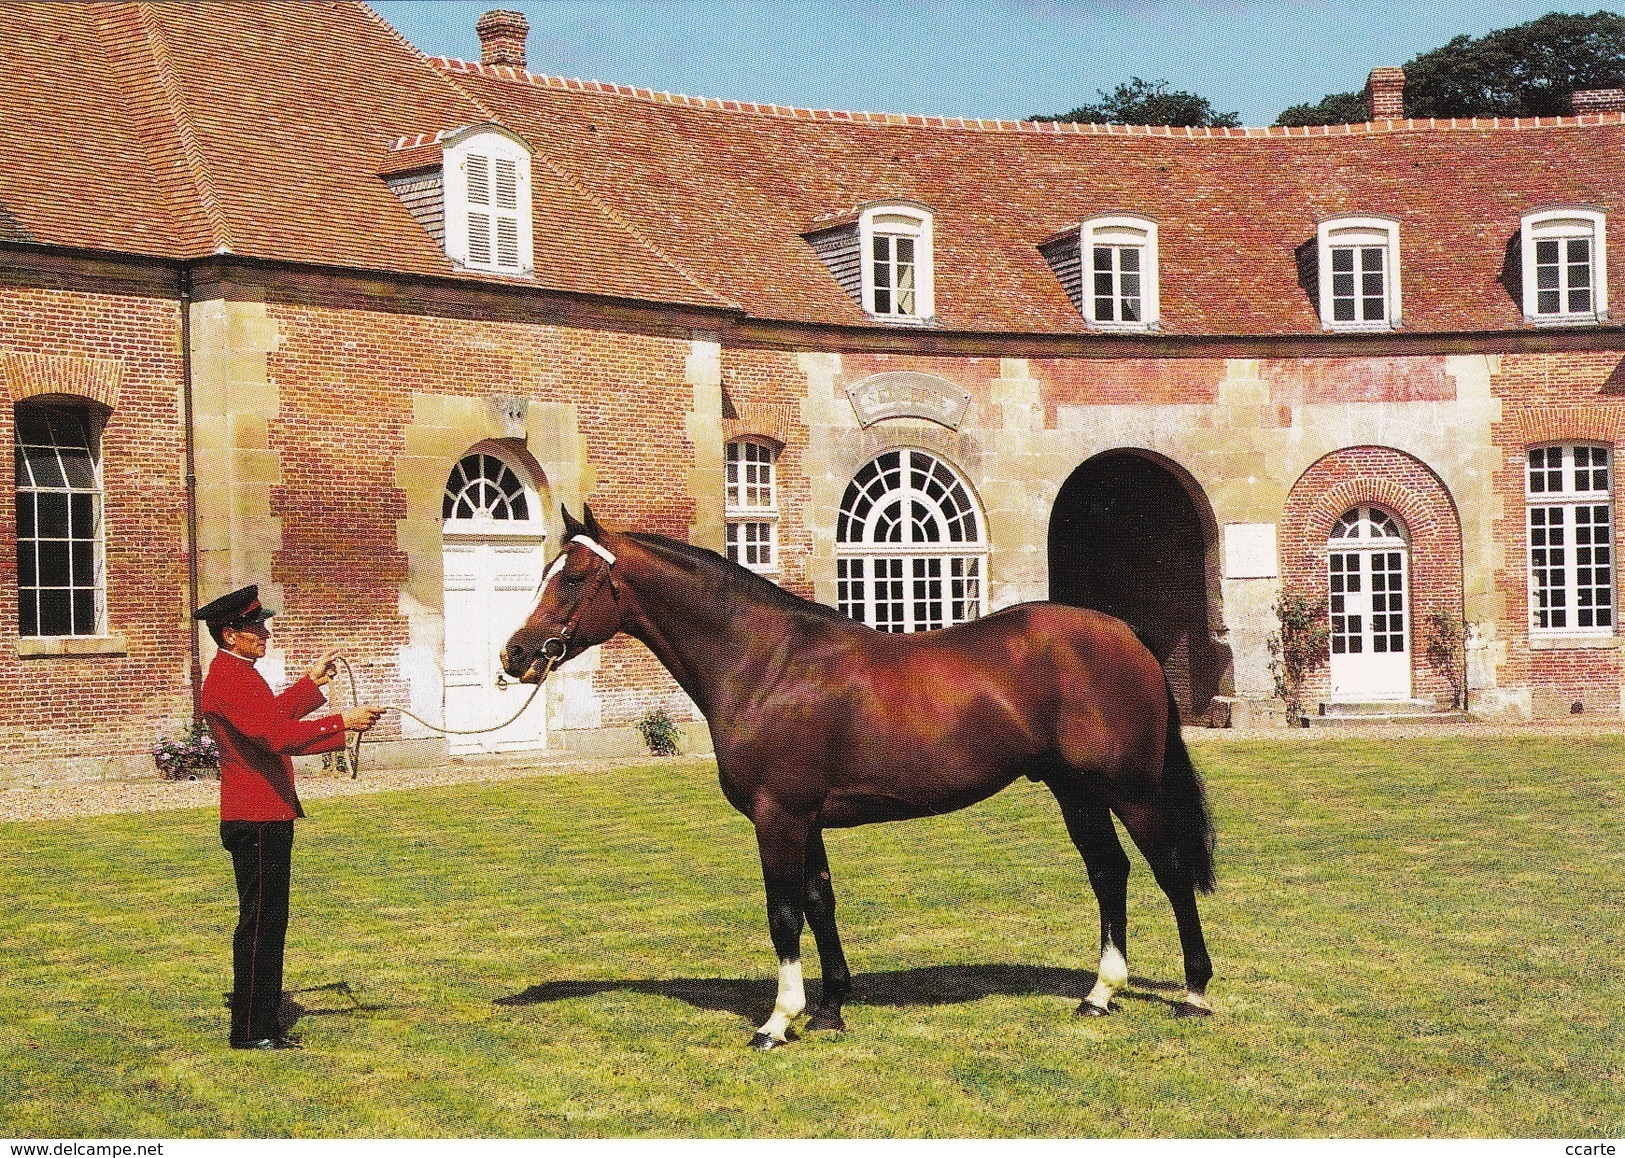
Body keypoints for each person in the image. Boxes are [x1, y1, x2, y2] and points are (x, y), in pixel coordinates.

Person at [192, 585, 384, 1050]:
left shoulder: (236, 673)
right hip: (255, 816)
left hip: (264, 814)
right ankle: (253, 1031)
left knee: (267, 919)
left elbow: (269, 720)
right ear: (230, 633)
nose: (266, 633)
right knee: (261, 922)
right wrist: (341, 722)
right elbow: (277, 737)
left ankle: (258, 1017)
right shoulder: (229, 679)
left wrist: (311, 685)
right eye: (257, 626)